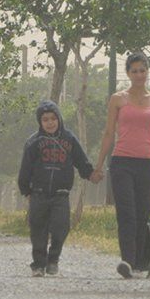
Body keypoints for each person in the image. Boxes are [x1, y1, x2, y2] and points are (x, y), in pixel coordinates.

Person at [91, 52, 150, 279]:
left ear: (147, 72)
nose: (139, 75)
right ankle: (127, 259)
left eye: (142, 70)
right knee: (126, 212)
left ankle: (137, 261)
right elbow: (108, 133)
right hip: (121, 162)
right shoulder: (118, 99)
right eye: (134, 71)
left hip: (146, 164)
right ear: (128, 73)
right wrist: (98, 165)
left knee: (142, 213)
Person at [18, 100, 95, 277]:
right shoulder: (33, 142)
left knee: (61, 228)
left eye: (53, 118)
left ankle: (53, 259)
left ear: (59, 119)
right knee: (38, 230)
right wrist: (26, 190)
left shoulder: (69, 140)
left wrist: (90, 174)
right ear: (40, 122)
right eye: (45, 119)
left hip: (61, 195)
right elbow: (25, 168)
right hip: (38, 193)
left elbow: (80, 161)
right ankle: (38, 264)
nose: (50, 122)